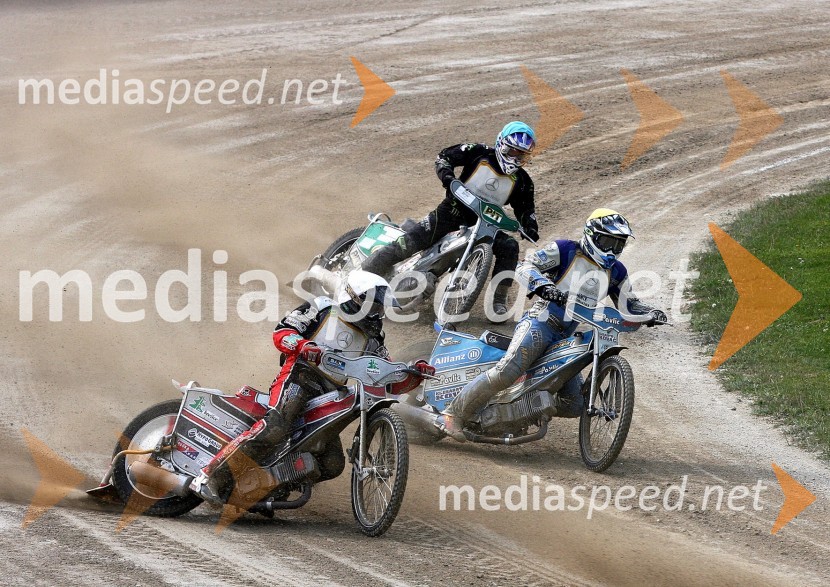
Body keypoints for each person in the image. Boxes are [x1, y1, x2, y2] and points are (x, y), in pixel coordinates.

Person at [190, 270, 435, 501]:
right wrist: (303, 346)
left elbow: (384, 376)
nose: (375, 312)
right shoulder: (322, 307)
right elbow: (282, 332)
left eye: (378, 306)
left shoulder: (374, 336)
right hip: (300, 377)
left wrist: (415, 374)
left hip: (331, 394)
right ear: (352, 296)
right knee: (276, 426)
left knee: (332, 463)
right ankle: (210, 476)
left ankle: (268, 488)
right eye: (372, 304)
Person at [438, 209, 667, 440]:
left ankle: (520, 408)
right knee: (507, 371)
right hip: (541, 322)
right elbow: (526, 266)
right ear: (591, 235)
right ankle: (453, 415)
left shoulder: (617, 271)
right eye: (607, 241)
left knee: (575, 404)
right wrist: (545, 287)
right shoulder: (566, 249)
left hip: (568, 336)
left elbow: (630, 304)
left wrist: (651, 313)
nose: (611, 250)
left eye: (618, 245)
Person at [361, 121, 540, 319]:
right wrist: (446, 175)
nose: (516, 158)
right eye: (514, 151)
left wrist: (530, 226)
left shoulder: (523, 181)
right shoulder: (478, 152)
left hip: (486, 224)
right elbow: (444, 157)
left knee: (510, 247)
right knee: (407, 245)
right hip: (451, 212)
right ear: (502, 144)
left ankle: (498, 300)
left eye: (522, 155)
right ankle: (362, 275)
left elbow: (526, 209)